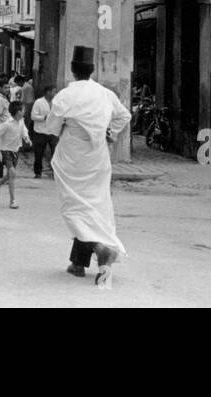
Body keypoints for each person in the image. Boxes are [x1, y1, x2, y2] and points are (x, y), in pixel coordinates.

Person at [37, 47, 130, 285]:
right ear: (92, 70)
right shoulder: (105, 93)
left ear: (72, 69)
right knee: (95, 206)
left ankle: (101, 249)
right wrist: (109, 132)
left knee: (75, 208)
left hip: (72, 155)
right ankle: (78, 263)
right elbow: (124, 116)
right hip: (98, 155)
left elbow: (51, 127)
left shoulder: (65, 95)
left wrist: (67, 127)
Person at [0, 101, 31, 208]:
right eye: (23, 110)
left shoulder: (21, 121)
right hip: (5, 150)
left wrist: (27, 138)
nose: (24, 111)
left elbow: (24, 131)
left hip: (15, 150)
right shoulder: (6, 124)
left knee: (10, 174)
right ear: (18, 112)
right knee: (12, 172)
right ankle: (12, 200)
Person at [29, 84, 59, 179]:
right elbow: (33, 116)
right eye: (54, 91)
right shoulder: (39, 102)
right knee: (39, 154)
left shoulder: (56, 102)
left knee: (56, 153)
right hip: (40, 131)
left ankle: (55, 172)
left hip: (53, 131)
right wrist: (44, 117)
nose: (55, 93)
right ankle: (38, 172)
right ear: (48, 92)